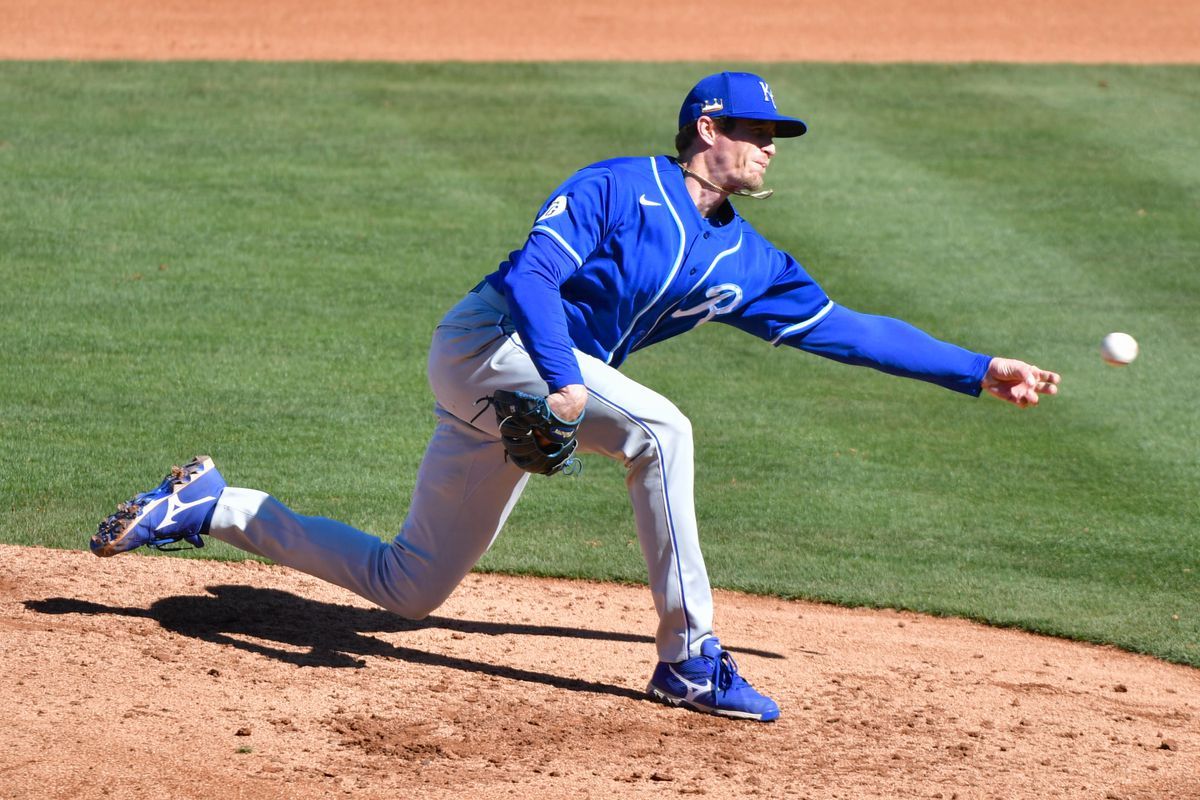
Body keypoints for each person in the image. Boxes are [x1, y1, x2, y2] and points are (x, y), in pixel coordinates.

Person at [90, 71, 1060, 723]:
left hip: (528, 390)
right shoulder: (616, 187)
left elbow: (852, 330)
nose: (772, 150)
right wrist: (560, 382)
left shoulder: (746, 256)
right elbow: (530, 278)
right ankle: (689, 657)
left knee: (409, 584)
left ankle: (215, 502)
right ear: (708, 131)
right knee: (662, 430)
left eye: (778, 138)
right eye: (758, 133)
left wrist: (978, 368)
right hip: (492, 346)